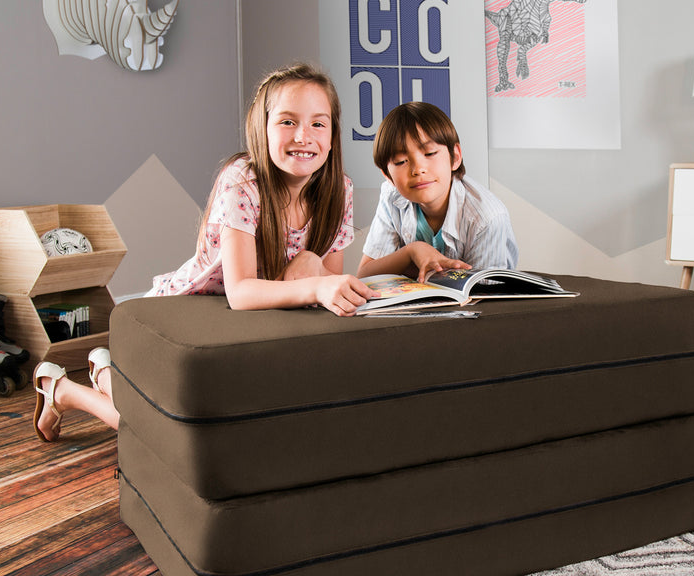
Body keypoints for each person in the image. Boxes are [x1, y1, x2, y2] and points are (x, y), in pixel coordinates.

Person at [32, 63, 374, 441]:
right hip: (189, 310)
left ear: (333, 134)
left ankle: (105, 374)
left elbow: (328, 282)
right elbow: (241, 292)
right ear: (261, 129)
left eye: (318, 123)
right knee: (158, 432)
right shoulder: (243, 182)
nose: (303, 136)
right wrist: (315, 283)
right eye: (287, 121)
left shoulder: (339, 190)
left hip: (257, 321)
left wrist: (315, 274)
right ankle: (64, 390)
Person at [357, 101, 518, 283]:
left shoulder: (487, 217)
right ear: (387, 175)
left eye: (430, 153)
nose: (418, 169)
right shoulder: (391, 196)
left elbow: (482, 292)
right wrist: (411, 252)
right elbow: (365, 275)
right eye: (401, 161)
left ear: (455, 157)